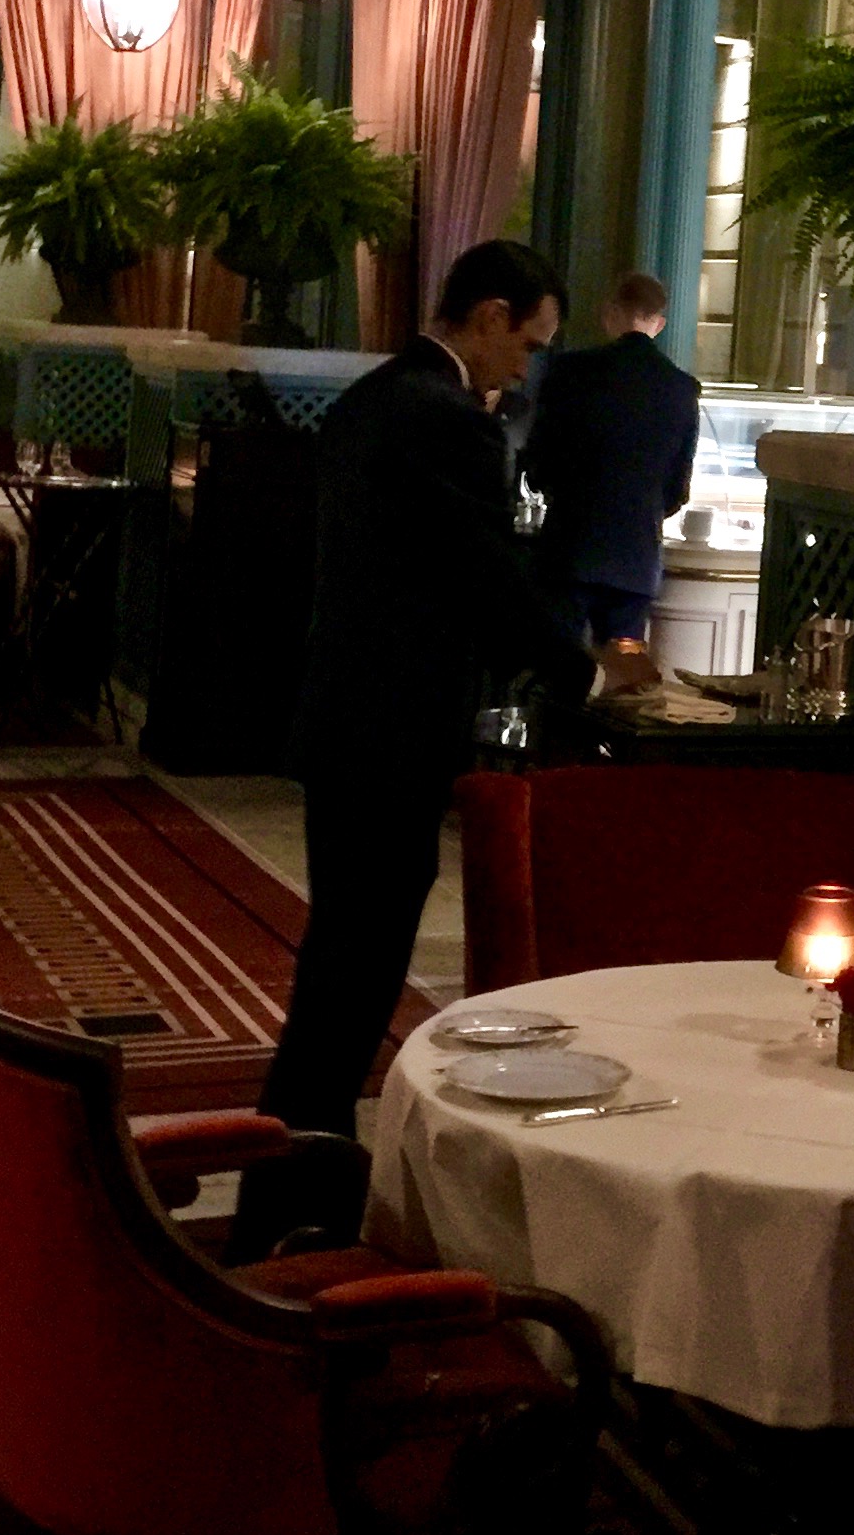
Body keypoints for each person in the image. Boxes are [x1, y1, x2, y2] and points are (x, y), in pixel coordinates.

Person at [247, 241, 656, 1189]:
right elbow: (486, 580)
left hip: (343, 717)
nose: (529, 366)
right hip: (394, 731)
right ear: (489, 316)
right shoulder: (447, 419)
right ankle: (297, 1174)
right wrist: (588, 675)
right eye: (529, 343)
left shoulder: (371, 397)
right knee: (358, 969)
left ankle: (292, 1157)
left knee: (338, 961)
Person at [523, 268, 701, 649]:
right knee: (622, 672)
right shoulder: (682, 388)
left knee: (557, 666)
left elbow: (539, 463)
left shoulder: (570, 372)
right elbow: (678, 488)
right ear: (660, 324)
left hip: (569, 551)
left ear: (611, 313)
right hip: (636, 559)